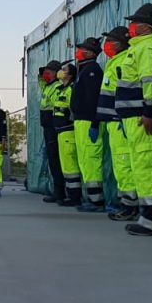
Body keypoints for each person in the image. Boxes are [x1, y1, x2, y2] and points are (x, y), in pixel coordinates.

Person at [121, 4, 152, 237]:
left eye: (134, 22)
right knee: (141, 166)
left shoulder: (147, 48)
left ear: (143, 26)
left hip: (142, 119)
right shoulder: (138, 48)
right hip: (133, 118)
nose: (131, 26)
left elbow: (150, 82)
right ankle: (147, 216)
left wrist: (149, 112)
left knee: (150, 165)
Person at [99, 26, 138, 222]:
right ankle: (126, 203)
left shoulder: (124, 60)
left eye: (110, 41)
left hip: (120, 121)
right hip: (113, 123)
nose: (107, 45)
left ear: (120, 42)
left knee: (125, 165)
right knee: (120, 166)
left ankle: (130, 206)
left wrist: (123, 116)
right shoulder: (113, 62)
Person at [72, 37, 106, 212]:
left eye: (82, 49)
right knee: (85, 160)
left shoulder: (92, 70)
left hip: (88, 121)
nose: (78, 52)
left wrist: (94, 122)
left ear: (90, 52)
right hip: (80, 121)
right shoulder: (83, 70)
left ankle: (97, 201)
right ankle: (92, 198)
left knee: (91, 160)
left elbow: (94, 98)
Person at [38, 62, 68, 204]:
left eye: (49, 72)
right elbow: (41, 80)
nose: (46, 75)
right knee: (52, 161)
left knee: (57, 161)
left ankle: (60, 192)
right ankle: (57, 191)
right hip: (48, 127)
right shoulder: (47, 87)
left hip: (54, 127)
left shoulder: (57, 87)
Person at [52, 61, 81, 207]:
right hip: (60, 131)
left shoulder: (71, 89)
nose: (60, 71)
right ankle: (69, 194)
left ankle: (75, 197)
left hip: (68, 130)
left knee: (71, 166)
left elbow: (73, 108)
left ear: (70, 74)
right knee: (65, 166)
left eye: (63, 70)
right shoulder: (59, 89)